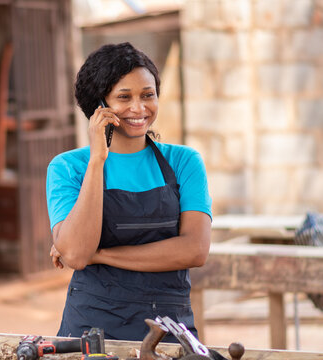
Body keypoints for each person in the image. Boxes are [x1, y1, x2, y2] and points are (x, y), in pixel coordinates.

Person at [45, 42, 212, 342]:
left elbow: (195, 250)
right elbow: (78, 254)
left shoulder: (184, 161)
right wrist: (97, 160)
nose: (139, 108)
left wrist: (102, 255)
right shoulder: (68, 167)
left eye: (148, 95)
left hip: (168, 329)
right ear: (98, 106)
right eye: (124, 97)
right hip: (91, 330)